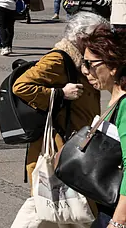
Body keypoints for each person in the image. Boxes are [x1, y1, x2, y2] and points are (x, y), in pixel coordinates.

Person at [11, 12, 106, 182]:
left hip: (80, 140)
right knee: (55, 200)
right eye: (97, 37)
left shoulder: (83, 59)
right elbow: (21, 86)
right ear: (81, 37)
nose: (102, 42)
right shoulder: (59, 59)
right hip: (61, 143)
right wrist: (61, 93)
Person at [75, 23, 126, 228]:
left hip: (116, 213)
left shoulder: (125, 105)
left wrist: (119, 221)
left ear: (112, 66)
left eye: (89, 63)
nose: (84, 70)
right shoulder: (116, 97)